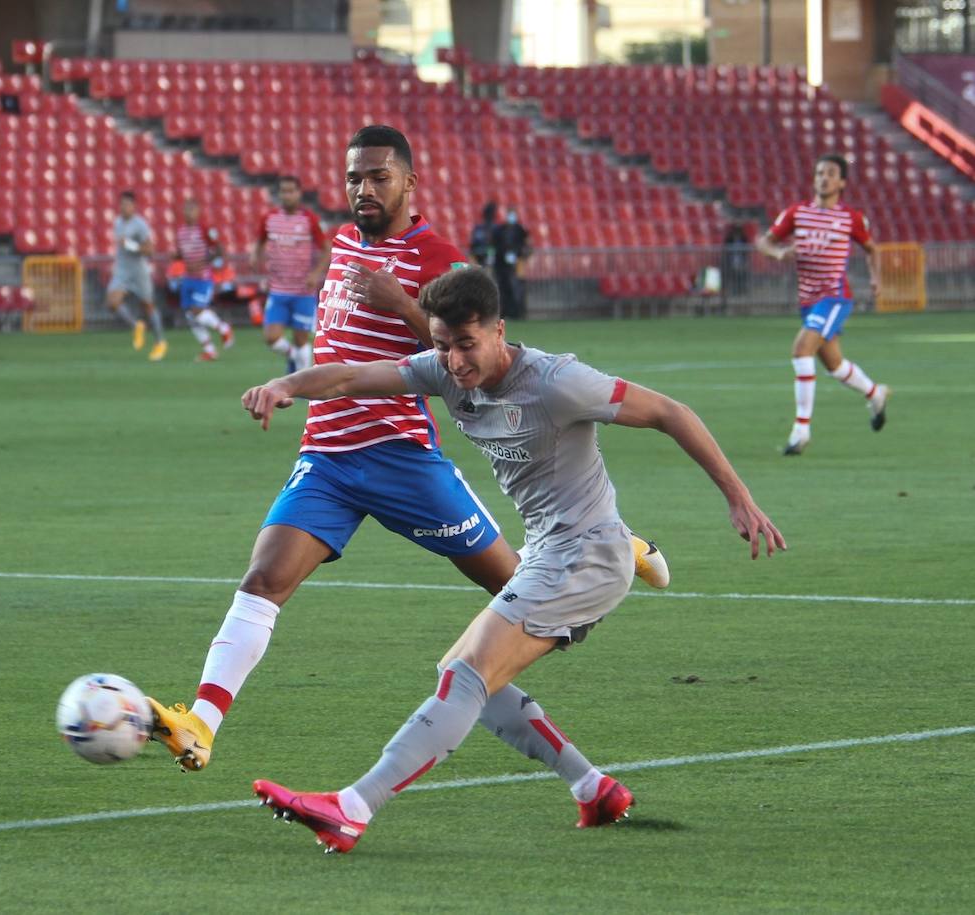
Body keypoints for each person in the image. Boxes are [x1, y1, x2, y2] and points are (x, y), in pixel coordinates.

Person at [145, 125, 668, 775]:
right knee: (263, 580)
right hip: (328, 456)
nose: (364, 189)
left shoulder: (435, 257)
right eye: (354, 178)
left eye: (379, 177)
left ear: (409, 183)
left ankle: (613, 544)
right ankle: (202, 722)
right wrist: (288, 386)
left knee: (516, 586)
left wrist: (403, 305)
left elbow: (480, 355)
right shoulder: (339, 242)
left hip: (401, 455)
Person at [244, 266, 786, 853]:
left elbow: (670, 413)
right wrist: (288, 386)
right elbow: (352, 376)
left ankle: (351, 808)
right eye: (443, 345)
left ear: (499, 331)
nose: (453, 361)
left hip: (587, 556)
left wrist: (739, 499)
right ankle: (592, 786)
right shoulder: (444, 370)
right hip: (549, 551)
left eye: (466, 345)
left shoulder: (557, 382)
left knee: (466, 675)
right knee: (466, 673)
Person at [756, 154, 888, 456]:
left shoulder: (850, 218)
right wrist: (778, 254)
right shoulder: (797, 213)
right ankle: (875, 392)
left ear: (841, 182)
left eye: (830, 173)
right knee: (834, 365)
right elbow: (764, 241)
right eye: (819, 173)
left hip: (835, 296)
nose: (823, 178)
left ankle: (801, 430)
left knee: (801, 350)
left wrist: (876, 279)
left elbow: (871, 248)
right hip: (808, 299)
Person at [255, 175, 330, 372]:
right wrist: (256, 257)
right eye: (283, 191)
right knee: (271, 338)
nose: (287, 195)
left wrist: (315, 273)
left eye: (291, 191)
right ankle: (292, 356)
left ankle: (303, 385)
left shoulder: (309, 220)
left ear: (299, 194)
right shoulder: (269, 218)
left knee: (301, 340)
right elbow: (260, 241)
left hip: (302, 292)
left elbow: (326, 249)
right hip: (278, 290)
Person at [106, 190, 168, 361]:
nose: (124, 208)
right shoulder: (117, 222)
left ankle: (160, 342)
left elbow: (150, 251)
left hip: (138, 270)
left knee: (148, 306)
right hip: (122, 270)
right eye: (122, 204)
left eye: (127, 204)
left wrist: (132, 245)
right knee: (112, 302)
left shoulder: (140, 225)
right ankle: (136, 325)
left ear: (134, 206)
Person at [175, 198, 234, 361]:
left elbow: (219, 249)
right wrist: (176, 256)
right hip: (188, 278)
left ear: (198, 212)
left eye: (192, 210)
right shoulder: (181, 232)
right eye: (186, 210)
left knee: (197, 311)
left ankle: (223, 328)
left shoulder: (205, 229)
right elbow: (182, 253)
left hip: (203, 278)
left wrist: (204, 262)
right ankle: (209, 350)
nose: (189, 213)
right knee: (190, 316)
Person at [493, 207, 531, 319]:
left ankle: (517, 312)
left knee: (516, 288)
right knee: (503, 288)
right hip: (501, 264)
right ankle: (504, 312)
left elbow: (527, 245)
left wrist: (520, 256)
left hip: (516, 264)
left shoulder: (520, 229)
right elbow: (494, 244)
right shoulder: (500, 229)